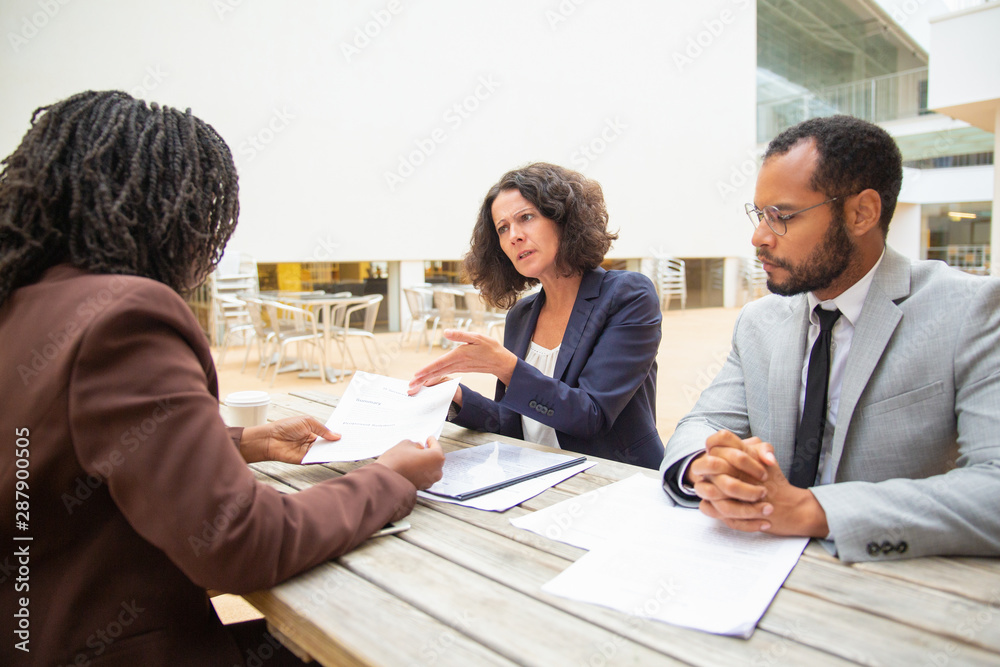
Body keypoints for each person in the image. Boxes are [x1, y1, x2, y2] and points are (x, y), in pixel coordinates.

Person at [0, 90, 444, 666]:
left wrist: (243, 441)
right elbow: (239, 541)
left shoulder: (23, 306)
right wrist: (389, 479)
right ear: (169, 213)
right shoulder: (124, 315)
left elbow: (69, 454)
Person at [660, 115, 1000, 562]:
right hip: (751, 571)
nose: (759, 237)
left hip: (891, 590)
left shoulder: (969, 311)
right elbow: (700, 425)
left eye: (781, 216)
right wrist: (705, 467)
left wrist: (812, 510)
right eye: (759, 215)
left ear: (861, 213)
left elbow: (992, 488)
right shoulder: (760, 321)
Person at [409, 163, 664, 469]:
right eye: (502, 228)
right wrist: (458, 394)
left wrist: (505, 367)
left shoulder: (627, 295)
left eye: (526, 218)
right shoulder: (521, 315)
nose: (513, 236)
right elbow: (517, 421)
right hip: (537, 478)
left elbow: (590, 415)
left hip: (614, 482)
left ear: (563, 219)